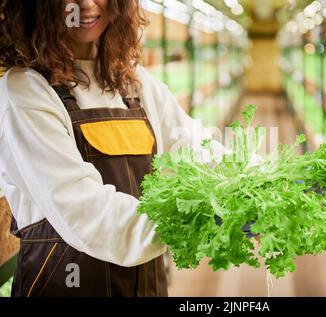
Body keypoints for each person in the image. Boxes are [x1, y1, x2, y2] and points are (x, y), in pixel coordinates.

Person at [0, 0, 224, 297]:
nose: (86, 5)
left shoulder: (135, 84)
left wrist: (257, 183)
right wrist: (195, 220)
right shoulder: (25, 91)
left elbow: (197, 147)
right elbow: (86, 212)